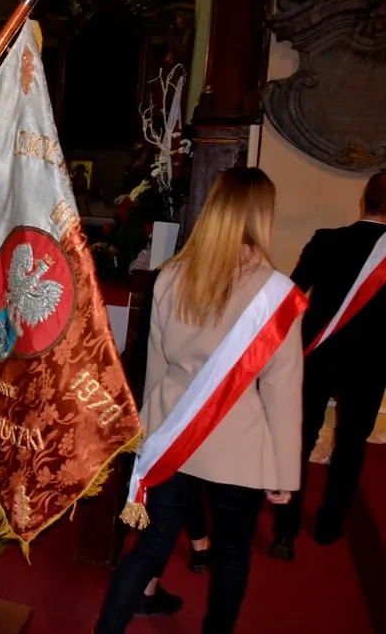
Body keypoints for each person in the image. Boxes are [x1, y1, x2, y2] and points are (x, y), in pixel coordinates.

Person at [95, 168, 306, 634]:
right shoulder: (278, 294)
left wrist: (149, 436)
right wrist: (283, 472)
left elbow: (156, 366)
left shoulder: (170, 277)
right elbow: (282, 391)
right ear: (263, 217)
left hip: (172, 432)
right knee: (232, 555)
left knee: (150, 548)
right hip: (238, 445)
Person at [271, 170, 386, 559]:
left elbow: (291, 295)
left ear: (364, 201)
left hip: (317, 356)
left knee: (299, 440)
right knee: (351, 445)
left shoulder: (326, 239)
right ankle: (328, 524)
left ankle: (284, 531)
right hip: (371, 364)